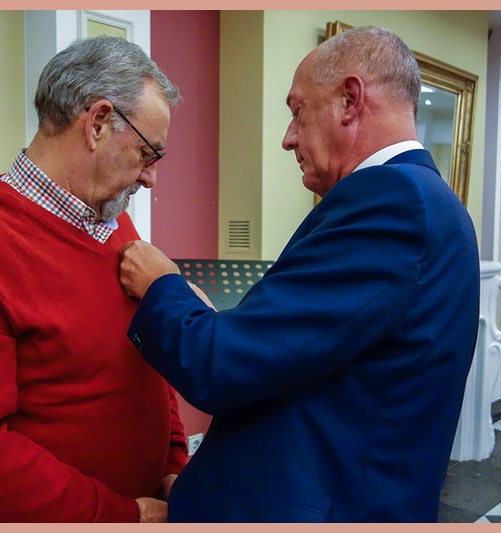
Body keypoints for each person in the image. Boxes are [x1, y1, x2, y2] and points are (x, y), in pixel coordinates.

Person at [119, 26, 480, 522]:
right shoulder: (427, 202)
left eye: (297, 111)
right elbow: (308, 363)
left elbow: (220, 369)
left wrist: (162, 283)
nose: (288, 138)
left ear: (350, 100)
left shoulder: (393, 202)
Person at [0, 35, 187, 522]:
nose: (150, 177)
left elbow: (150, 365)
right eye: (147, 153)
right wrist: (119, 516)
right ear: (98, 122)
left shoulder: (115, 223)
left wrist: (174, 468)